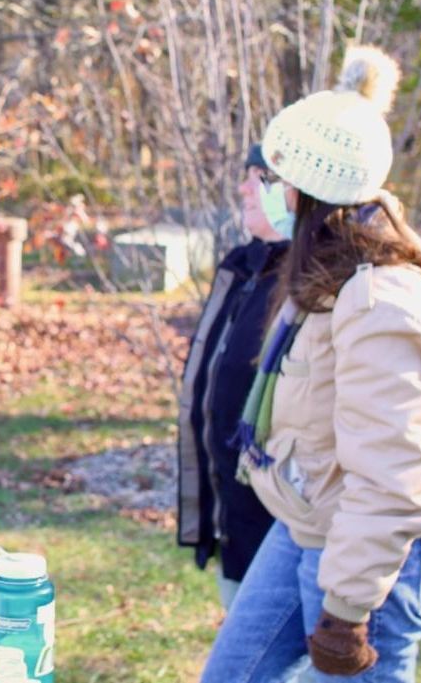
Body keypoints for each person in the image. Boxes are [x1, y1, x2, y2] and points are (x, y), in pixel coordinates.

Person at [201, 46, 421, 682]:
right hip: (309, 525)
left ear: (305, 192)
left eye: (273, 178)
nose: (262, 190)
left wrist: (347, 611)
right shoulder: (326, 276)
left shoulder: (380, 303)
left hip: (374, 556)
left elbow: (393, 478)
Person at [176, 143, 289, 610]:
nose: (243, 188)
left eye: (258, 177)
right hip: (233, 518)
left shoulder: (312, 282)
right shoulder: (243, 267)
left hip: (282, 529)